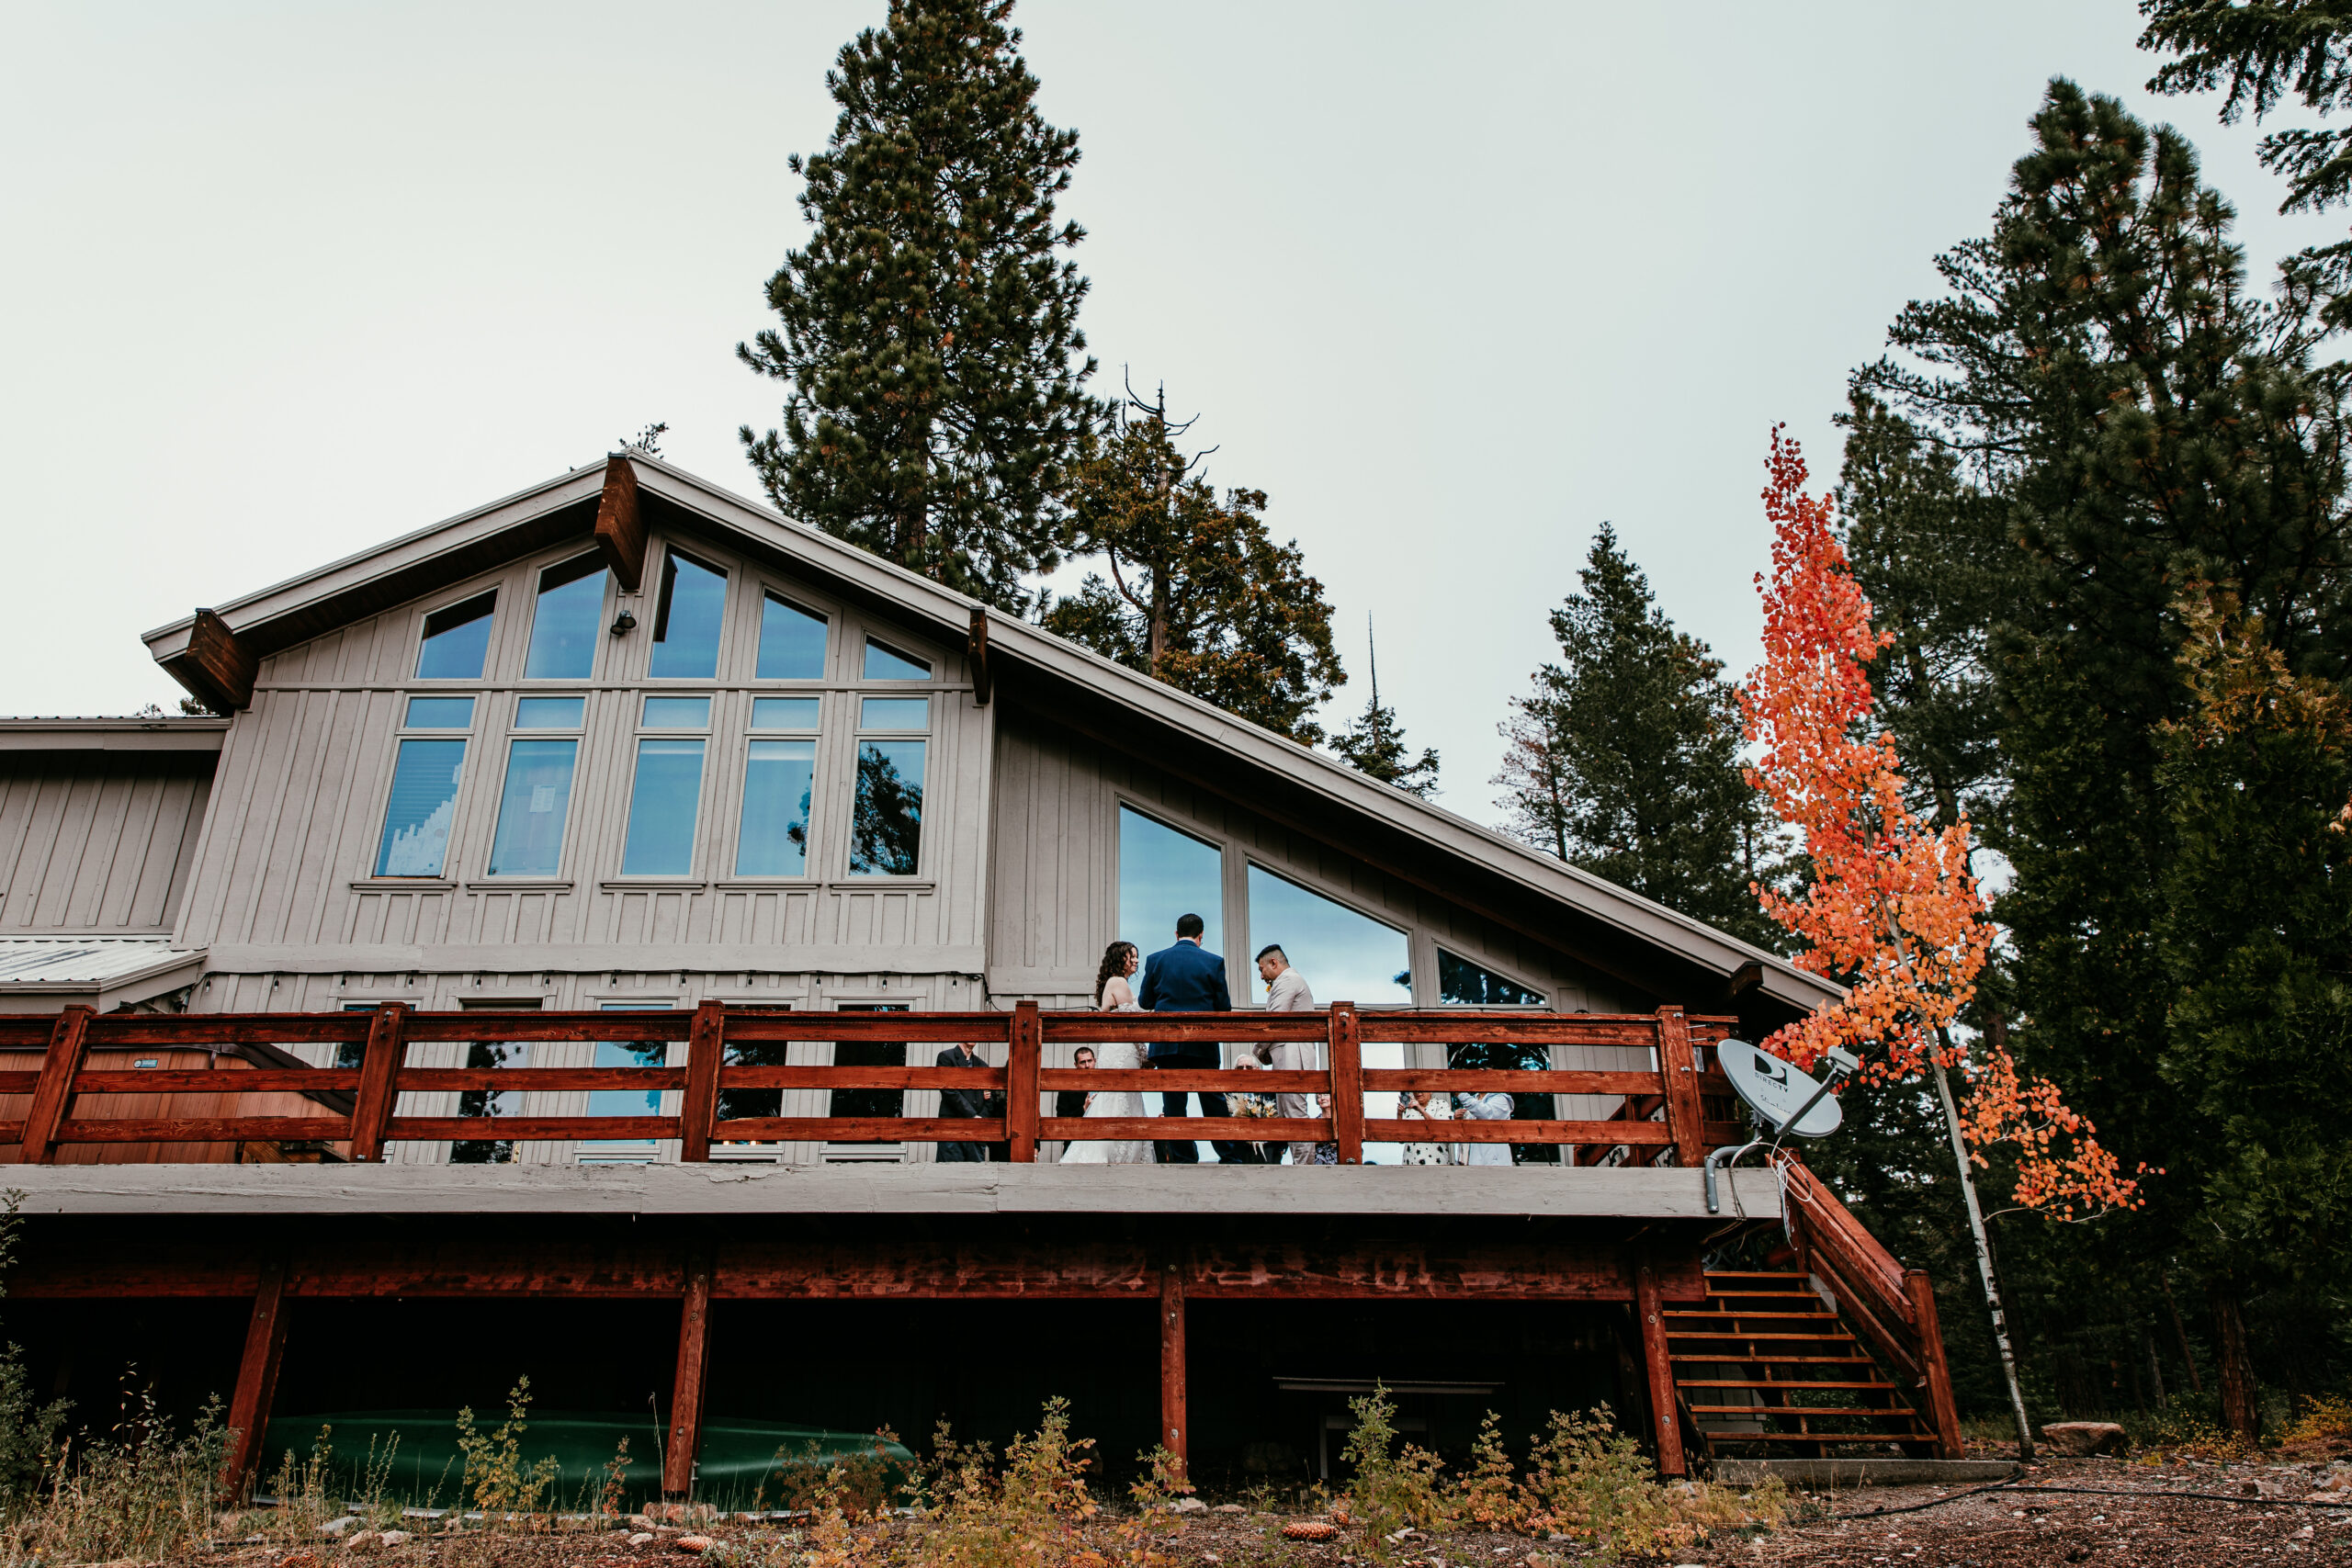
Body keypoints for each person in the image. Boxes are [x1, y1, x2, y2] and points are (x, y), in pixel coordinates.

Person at [1136, 914, 1252, 1163]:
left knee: (1174, 1102)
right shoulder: (1214, 962)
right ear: (1201, 936)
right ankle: (1229, 1155)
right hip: (1203, 1044)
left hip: (1167, 1045)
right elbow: (1224, 1008)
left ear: (1176, 934)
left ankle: (1182, 1158)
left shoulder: (1155, 960)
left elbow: (1145, 1002)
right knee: (1212, 1100)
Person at [1064, 942, 1154, 1165]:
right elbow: (1131, 1026)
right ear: (1119, 958)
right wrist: (1146, 1056)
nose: (1136, 960)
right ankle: (1115, 1153)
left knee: (1121, 1097)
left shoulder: (1113, 983)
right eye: (1131, 956)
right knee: (1119, 1096)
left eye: (1137, 956)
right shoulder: (1118, 982)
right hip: (1122, 1049)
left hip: (1117, 1048)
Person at [1250, 944, 1326, 1166]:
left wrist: (1257, 1051)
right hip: (1286, 1056)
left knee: (1295, 1115)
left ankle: (1305, 1168)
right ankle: (1299, 1164)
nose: (1262, 975)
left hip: (1294, 1056)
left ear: (1274, 963)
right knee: (1287, 1115)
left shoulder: (1288, 980)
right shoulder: (1285, 981)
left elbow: (1275, 1019)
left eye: (1262, 969)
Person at [935, 1040, 994, 1162]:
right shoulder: (946, 1057)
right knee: (950, 1176)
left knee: (975, 1177)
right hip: (952, 1131)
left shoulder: (983, 1065)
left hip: (976, 1134)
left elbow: (990, 1099)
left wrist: (980, 1120)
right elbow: (949, 1091)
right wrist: (972, 1116)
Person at [1454, 1089, 1515, 1167]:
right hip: (1474, 1160)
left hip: (1495, 1162)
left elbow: (1486, 1113)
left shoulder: (1501, 1099)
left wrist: (1462, 1095)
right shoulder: (1474, 1099)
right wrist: (1457, 1118)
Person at [1397, 1089, 1453, 1166]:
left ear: (1430, 1091)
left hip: (1435, 1163)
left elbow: (1440, 1129)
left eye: (1422, 1089)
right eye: (1415, 1090)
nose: (1418, 1093)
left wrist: (1420, 1110)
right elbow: (1401, 1139)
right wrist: (1400, 1114)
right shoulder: (1409, 1109)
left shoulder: (1441, 1104)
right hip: (1412, 1164)